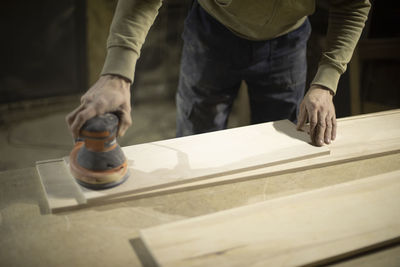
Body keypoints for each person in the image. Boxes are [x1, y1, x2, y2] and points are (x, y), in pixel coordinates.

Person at [66, 0, 371, 146]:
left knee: (282, 147)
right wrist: (117, 75)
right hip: (211, 35)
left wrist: (325, 83)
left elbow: (353, 6)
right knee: (197, 142)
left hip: (287, 42)